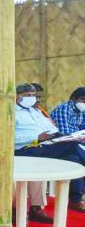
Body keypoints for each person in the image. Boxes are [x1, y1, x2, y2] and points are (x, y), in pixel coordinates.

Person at [14, 84, 85, 212]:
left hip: (46, 144)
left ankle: (75, 200)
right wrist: (36, 137)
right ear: (18, 96)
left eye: (33, 95)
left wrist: (54, 135)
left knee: (74, 158)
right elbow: (9, 137)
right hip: (25, 149)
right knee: (72, 145)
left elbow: (52, 128)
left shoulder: (36, 111)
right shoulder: (11, 112)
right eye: (28, 95)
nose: (32, 98)